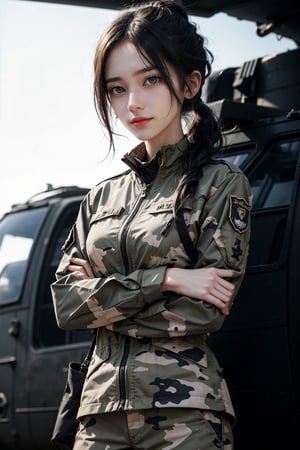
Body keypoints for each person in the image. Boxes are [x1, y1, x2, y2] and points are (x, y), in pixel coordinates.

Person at [51, 1, 252, 448]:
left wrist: (102, 307)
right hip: (98, 416)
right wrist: (167, 279)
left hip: (185, 416)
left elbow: (203, 310)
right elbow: (66, 306)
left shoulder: (220, 185)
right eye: (116, 89)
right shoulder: (100, 198)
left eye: (151, 80)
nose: (132, 103)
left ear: (190, 83)